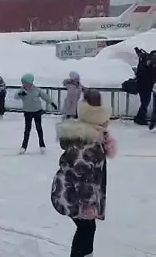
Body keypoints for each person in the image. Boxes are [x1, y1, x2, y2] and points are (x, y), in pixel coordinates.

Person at [51, 89, 117, 257]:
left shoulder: (90, 134)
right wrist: (88, 205)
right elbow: (83, 177)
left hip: (74, 192)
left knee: (87, 228)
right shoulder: (87, 143)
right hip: (73, 193)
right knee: (85, 228)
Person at [14, 73, 58, 154]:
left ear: (30, 83)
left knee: (39, 128)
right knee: (27, 129)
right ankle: (24, 146)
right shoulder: (22, 90)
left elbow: (45, 97)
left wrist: (51, 103)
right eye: (23, 83)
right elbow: (15, 97)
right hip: (27, 112)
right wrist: (20, 94)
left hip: (37, 111)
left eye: (26, 83)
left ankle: (42, 145)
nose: (24, 85)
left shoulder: (37, 90)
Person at [133, 47, 156, 125]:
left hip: (145, 85)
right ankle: (140, 118)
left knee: (145, 102)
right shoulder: (148, 64)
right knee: (145, 102)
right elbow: (148, 74)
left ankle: (140, 118)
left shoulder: (147, 63)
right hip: (144, 85)